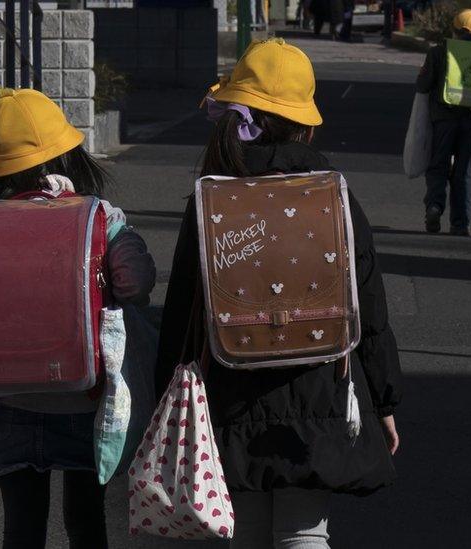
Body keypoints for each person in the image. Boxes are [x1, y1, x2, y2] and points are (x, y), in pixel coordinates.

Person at [156, 38, 402, 548]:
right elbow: (368, 305)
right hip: (319, 387)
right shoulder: (332, 192)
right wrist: (383, 399)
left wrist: (165, 391)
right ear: (307, 124)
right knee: (305, 530)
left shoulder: (213, 193)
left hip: (229, 386)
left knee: (241, 522)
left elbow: (182, 307)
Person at [0, 87, 156, 549]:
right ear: (71, 156)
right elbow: (136, 282)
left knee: (22, 528)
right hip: (82, 396)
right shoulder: (98, 217)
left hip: (7, 396)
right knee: (86, 522)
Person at [416, 9, 471, 236]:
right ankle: (460, 224)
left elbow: (423, 85)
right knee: (463, 172)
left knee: (438, 166)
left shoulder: (438, 52)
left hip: (443, 119)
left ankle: (435, 206)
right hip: (470, 120)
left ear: (454, 29)